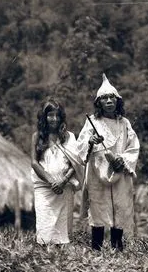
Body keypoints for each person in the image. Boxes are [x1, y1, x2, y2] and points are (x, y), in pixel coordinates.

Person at [77, 73, 140, 251]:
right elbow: (81, 146)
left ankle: (117, 246)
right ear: (99, 103)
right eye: (104, 98)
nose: (109, 101)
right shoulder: (92, 122)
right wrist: (91, 141)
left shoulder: (124, 123)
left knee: (119, 207)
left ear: (117, 101)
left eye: (112, 97)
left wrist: (123, 160)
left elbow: (133, 146)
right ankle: (96, 248)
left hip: (119, 171)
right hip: (98, 172)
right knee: (98, 208)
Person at [30, 98, 84, 244]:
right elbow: (34, 163)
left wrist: (63, 180)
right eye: (50, 115)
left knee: (63, 233)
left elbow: (77, 163)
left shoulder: (69, 137)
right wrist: (51, 181)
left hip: (64, 188)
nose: (54, 119)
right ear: (44, 117)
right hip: (44, 189)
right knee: (45, 230)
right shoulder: (37, 137)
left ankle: (61, 264)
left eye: (57, 115)